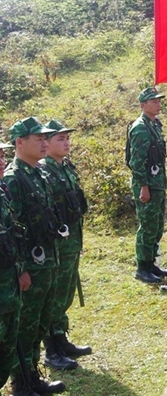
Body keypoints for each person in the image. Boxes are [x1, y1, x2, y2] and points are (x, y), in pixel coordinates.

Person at [3, 117, 66, 395]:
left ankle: (32, 375)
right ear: (20, 143)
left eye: (45, 139)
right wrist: (21, 270)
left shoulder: (38, 173)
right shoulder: (13, 179)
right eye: (38, 139)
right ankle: (22, 382)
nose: (44, 142)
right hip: (29, 265)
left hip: (47, 259)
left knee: (41, 320)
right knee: (25, 326)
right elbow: (12, 231)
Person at [40, 120, 92, 371]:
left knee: (66, 292)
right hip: (58, 245)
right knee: (54, 295)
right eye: (60, 139)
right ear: (46, 143)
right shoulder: (44, 172)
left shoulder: (65, 167)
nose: (66, 143)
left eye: (67, 138)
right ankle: (51, 349)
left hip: (72, 240)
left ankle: (61, 339)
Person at [127, 87, 167, 284]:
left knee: (157, 224)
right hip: (147, 185)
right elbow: (136, 161)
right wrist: (143, 186)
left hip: (157, 183)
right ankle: (142, 267)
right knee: (147, 225)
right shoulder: (141, 128)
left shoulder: (154, 125)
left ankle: (151, 263)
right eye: (154, 101)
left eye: (159, 100)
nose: (158, 104)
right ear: (143, 105)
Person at [1, 136, 27, 395]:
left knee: (6, 349)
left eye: (1, 156)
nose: (1, 162)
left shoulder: (2, 193)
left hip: (8, 287)